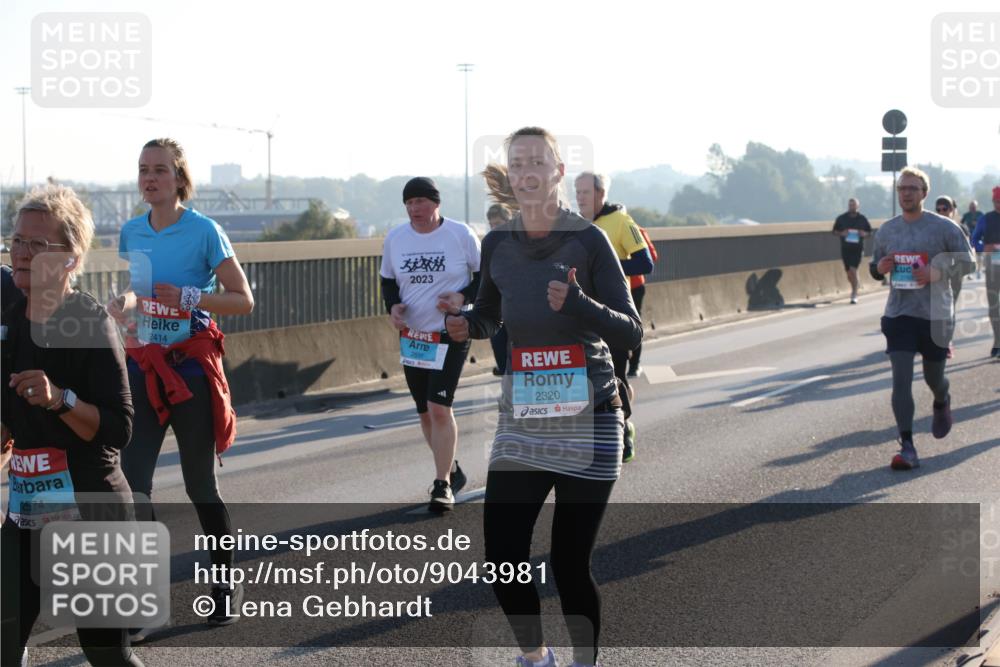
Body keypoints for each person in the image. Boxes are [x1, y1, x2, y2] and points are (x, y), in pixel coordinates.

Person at [447, 126, 642, 667]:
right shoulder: (497, 244)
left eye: (538, 162)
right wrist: (467, 323)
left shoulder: (589, 240)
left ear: (558, 172)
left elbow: (632, 331)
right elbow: (489, 313)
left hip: (592, 415)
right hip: (526, 418)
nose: (527, 171)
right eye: (518, 163)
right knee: (502, 561)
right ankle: (537, 658)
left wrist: (580, 304)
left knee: (568, 563)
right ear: (510, 176)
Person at [108, 138, 254, 629]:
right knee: (135, 486)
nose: (150, 178)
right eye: (144, 170)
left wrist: (191, 295)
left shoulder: (205, 231)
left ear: (179, 178)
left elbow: (242, 300)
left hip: (190, 368)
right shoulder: (131, 230)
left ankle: (223, 582)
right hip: (144, 365)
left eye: (161, 171)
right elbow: (138, 285)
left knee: (199, 485)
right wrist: (125, 301)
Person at [1, 185, 142, 666]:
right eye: (16, 240)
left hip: (91, 509)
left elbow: (120, 428)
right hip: (27, 510)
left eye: (36, 245)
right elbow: (9, 414)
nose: (20, 252)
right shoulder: (12, 315)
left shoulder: (89, 321)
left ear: (69, 258)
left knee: (107, 657)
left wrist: (61, 400)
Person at [379, 177, 480, 512]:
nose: (414, 209)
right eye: (409, 203)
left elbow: (485, 278)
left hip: (450, 331)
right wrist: (392, 306)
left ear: (436, 204)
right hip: (414, 336)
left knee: (439, 408)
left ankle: (441, 486)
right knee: (424, 412)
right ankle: (450, 469)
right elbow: (388, 280)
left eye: (421, 201)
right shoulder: (396, 238)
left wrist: (462, 297)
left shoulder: (460, 234)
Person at [869, 167, 975, 470]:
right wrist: (881, 268)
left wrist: (937, 272)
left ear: (924, 193)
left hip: (936, 315)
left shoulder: (943, 227)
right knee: (900, 378)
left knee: (933, 378)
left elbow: (969, 264)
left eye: (913, 188)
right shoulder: (888, 230)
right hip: (899, 313)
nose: (906, 193)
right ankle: (907, 446)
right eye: (902, 188)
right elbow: (875, 267)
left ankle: (942, 399)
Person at [574, 171, 652, 463]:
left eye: (585, 192)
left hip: (615, 312)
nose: (579, 197)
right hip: (584, 313)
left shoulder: (621, 221)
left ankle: (625, 426)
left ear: (600, 194)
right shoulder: (574, 225)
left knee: (615, 377)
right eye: (577, 191)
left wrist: (606, 267)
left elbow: (645, 262)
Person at [970, 186, 1000, 358]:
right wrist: (984, 247)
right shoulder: (986, 219)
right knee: (994, 307)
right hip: (993, 268)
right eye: (997, 202)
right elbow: (974, 239)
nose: (999, 205)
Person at [935, 196, 965, 358]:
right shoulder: (931, 229)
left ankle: (947, 342)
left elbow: (968, 257)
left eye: (945, 209)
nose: (941, 212)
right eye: (938, 209)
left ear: (952, 211)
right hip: (935, 277)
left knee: (949, 309)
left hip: (954, 276)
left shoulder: (960, 229)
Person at [627, 225, 658, 378]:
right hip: (612, 286)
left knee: (634, 324)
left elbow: (651, 257)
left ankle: (634, 364)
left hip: (634, 286)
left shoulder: (635, 230)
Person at [487, 203, 513, 376]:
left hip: (517, 308)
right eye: (491, 224)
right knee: (498, 345)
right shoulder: (489, 243)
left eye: (498, 223)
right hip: (497, 308)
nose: (495, 228)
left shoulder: (520, 242)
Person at [832, 198, 872, 304]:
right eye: (850, 205)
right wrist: (842, 233)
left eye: (853, 205)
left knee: (853, 270)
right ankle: (855, 284)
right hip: (846, 249)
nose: (852, 207)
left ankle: (854, 293)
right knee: (849, 273)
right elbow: (834, 231)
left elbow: (869, 232)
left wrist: (864, 233)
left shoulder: (862, 219)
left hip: (857, 249)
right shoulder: (841, 219)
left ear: (857, 206)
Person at [962, 200, 985, 279]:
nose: (972, 209)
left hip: (979, 238)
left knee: (979, 255)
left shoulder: (980, 214)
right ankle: (969, 273)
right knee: (970, 255)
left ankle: (979, 270)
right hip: (970, 237)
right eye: (971, 207)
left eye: (974, 207)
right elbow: (961, 224)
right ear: (969, 208)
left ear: (976, 207)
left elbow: (986, 223)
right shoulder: (966, 215)